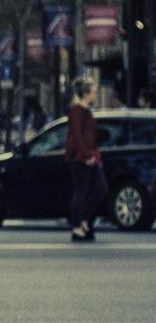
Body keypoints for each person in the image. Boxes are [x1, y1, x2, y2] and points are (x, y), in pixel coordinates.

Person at [66, 78, 106, 242]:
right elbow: (77, 136)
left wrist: (95, 155)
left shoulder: (87, 111)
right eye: (94, 92)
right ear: (86, 93)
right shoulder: (76, 111)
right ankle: (77, 227)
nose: (96, 95)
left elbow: (91, 136)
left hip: (91, 156)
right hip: (79, 158)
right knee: (81, 192)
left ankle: (83, 220)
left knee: (101, 189)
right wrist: (87, 155)